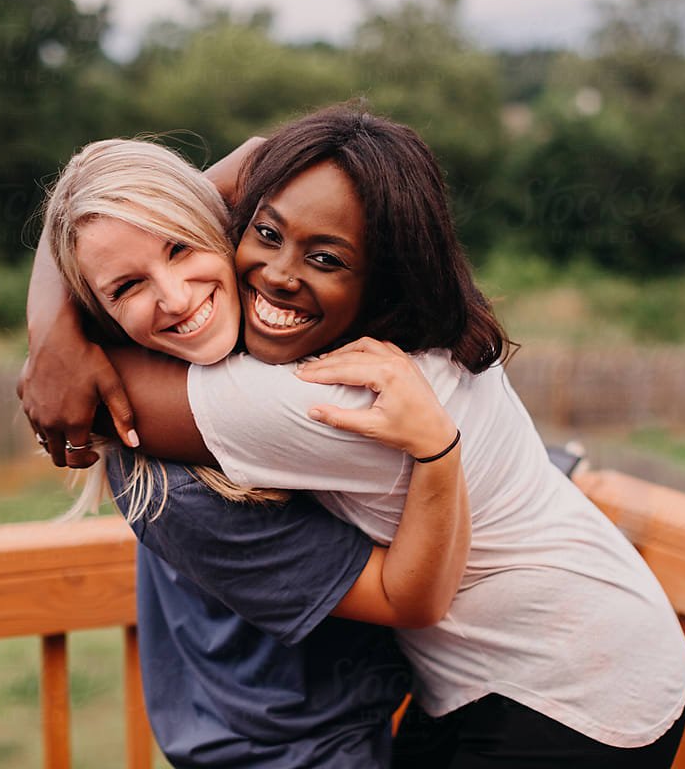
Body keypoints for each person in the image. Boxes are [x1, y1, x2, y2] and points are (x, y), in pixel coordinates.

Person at [23, 105, 685, 766]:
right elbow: (261, 155)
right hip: (536, 661)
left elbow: (87, 397)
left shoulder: (330, 396)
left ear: (381, 269)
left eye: (325, 256)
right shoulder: (403, 328)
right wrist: (71, 270)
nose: (282, 273)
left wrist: (52, 329)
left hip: (574, 690)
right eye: (267, 231)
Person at [24, 135, 472, 767]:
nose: (177, 297)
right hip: (296, 753)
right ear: (99, 318)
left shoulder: (258, 342)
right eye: (127, 288)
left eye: (180, 247)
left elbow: (272, 151)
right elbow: (411, 601)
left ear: (225, 225)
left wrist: (49, 327)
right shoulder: (175, 488)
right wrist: (439, 452)